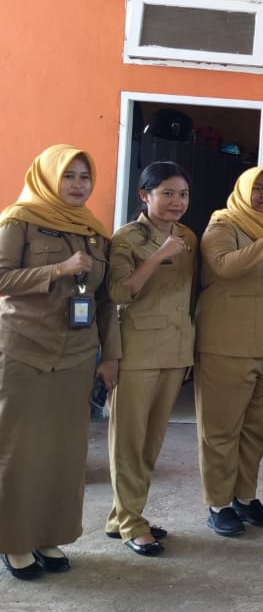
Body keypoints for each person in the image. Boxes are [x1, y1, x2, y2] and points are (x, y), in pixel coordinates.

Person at [0, 145, 120, 581]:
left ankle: (48, 534)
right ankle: (14, 541)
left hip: (77, 355)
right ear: (48, 176)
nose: (77, 185)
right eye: (69, 175)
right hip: (23, 349)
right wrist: (57, 270)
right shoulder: (19, 221)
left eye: (84, 177)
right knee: (19, 450)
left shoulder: (94, 232)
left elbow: (105, 301)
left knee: (63, 453)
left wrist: (111, 356)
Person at [104, 162, 198, 556]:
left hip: (176, 350)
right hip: (136, 351)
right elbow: (119, 293)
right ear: (145, 195)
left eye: (183, 194)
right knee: (128, 442)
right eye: (168, 193)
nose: (177, 202)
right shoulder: (126, 238)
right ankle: (132, 523)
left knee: (151, 442)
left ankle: (122, 516)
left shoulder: (188, 236)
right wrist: (158, 255)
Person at [195, 167, 263, 537]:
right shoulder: (223, 226)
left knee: (254, 431)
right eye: (259, 189)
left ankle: (245, 497)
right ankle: (218, 504)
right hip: (227, 347)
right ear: (242, 191)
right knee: (221, 430)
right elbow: (223, 267)